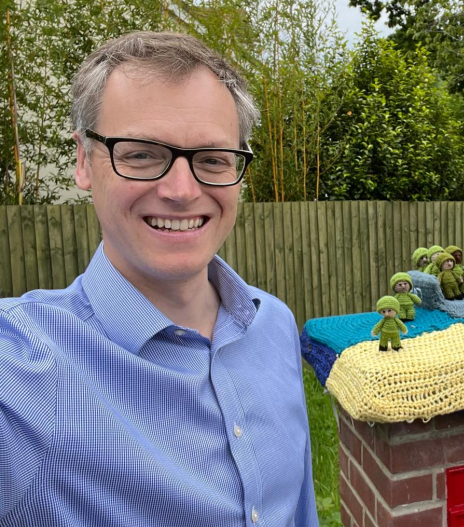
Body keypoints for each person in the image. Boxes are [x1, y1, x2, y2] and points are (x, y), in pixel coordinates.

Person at [0, 32, 318, 526]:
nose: (181, 191)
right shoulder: (21, 369)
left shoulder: (274, 325)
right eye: (141, 154)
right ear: (84, 162)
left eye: (212, 159)